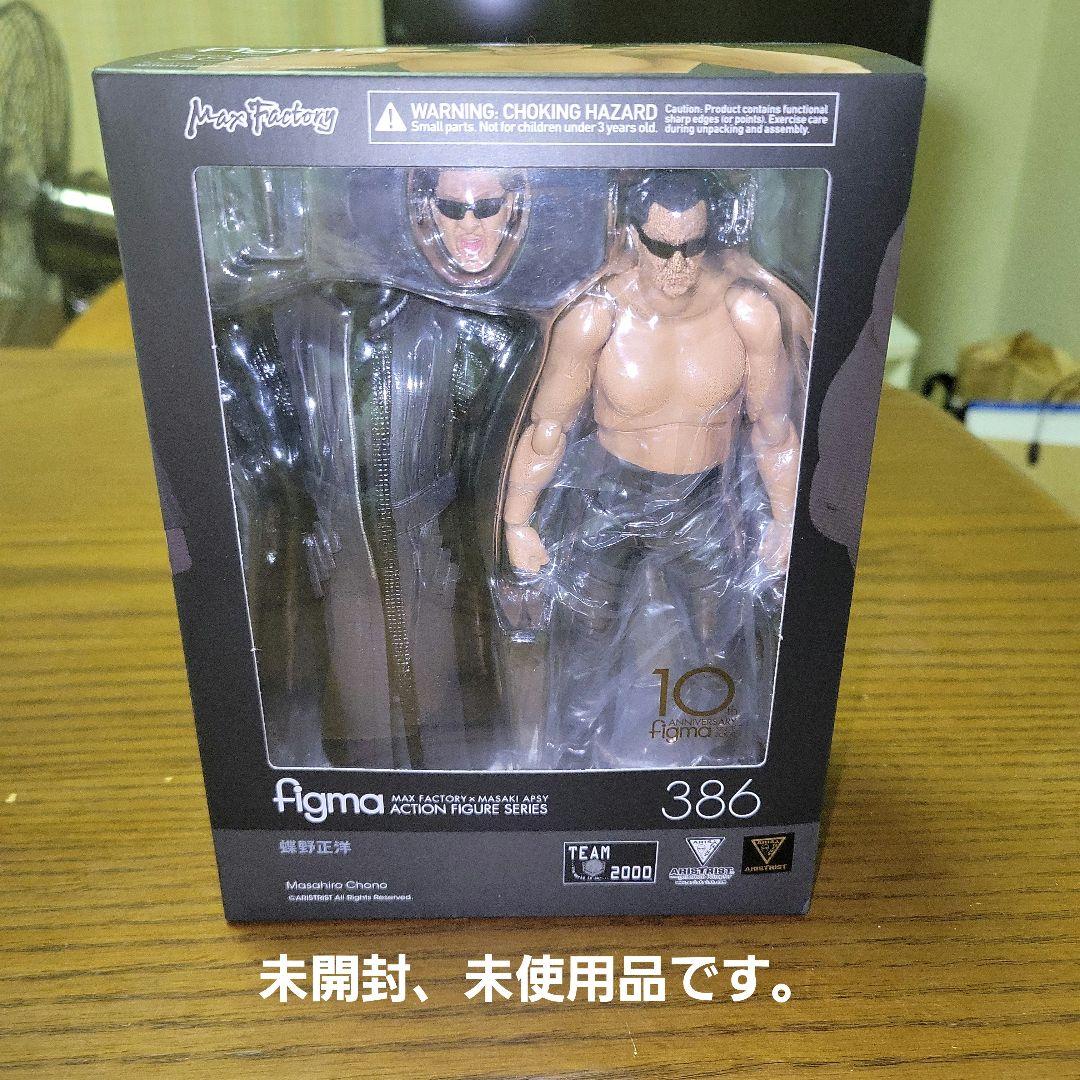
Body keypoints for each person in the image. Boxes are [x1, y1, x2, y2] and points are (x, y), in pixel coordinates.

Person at [218, 167, 537, 770]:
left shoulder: (459, 327)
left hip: (431, 540)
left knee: (437, 675)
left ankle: (444, 778)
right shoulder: (285, 324)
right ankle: (367, 781)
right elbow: (257, 416)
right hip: (338, 539)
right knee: (358, 673)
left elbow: (496, 395)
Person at [502, 170, 811, 768]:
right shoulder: (596, 318)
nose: (677, 264)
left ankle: (723, 766)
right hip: (611, 494)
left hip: (705, 498)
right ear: (632, 237)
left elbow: (774, 429)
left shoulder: (747, 314)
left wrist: (784, 518)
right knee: (585, 643)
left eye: (692, 246)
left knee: (720, 640)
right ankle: (569, 766)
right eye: (661, 246)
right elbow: (547, 430)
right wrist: (517, 522)